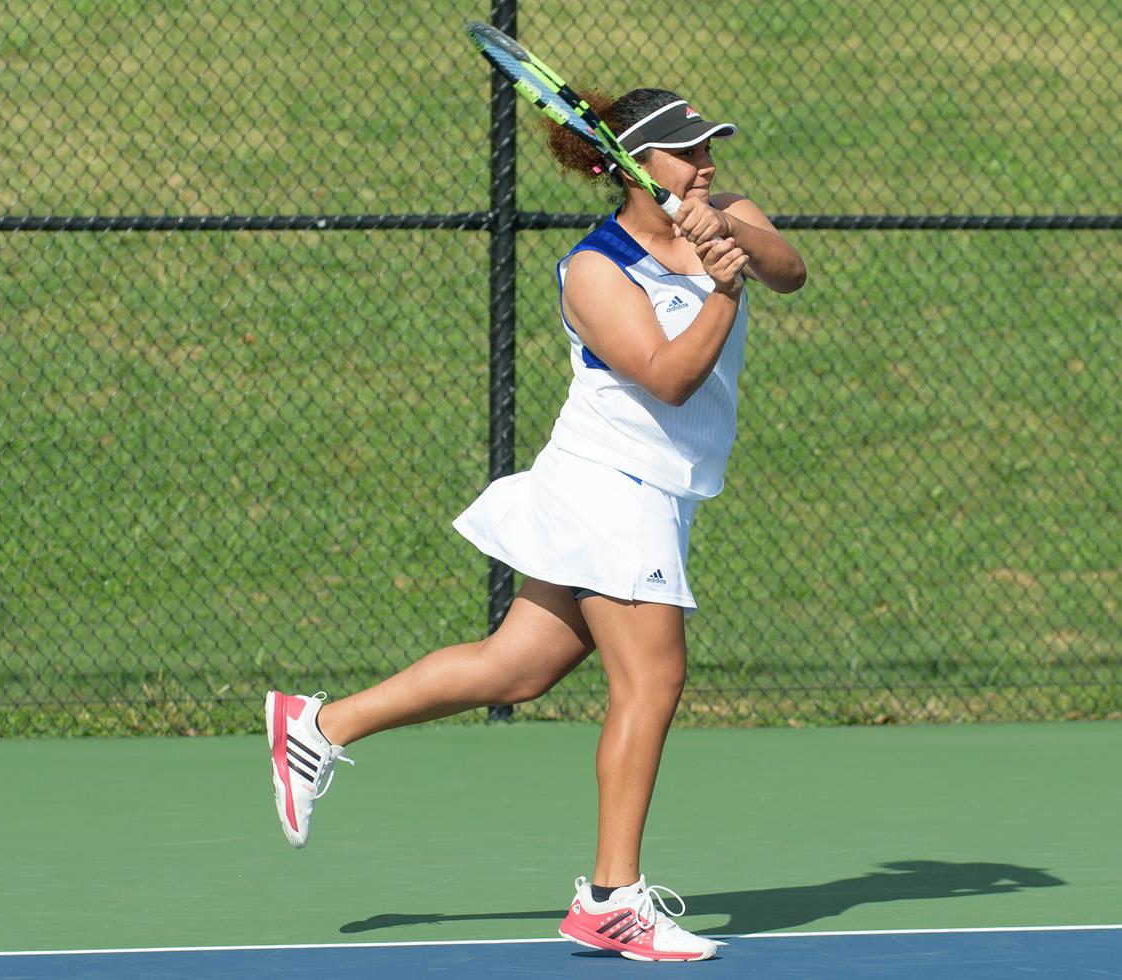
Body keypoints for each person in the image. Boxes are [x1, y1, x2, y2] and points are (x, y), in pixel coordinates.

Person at [266, 87, 806, 963]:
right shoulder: (595, 269)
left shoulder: (727, 213)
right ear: (632, 167)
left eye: (708, 146)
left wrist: (731, 244)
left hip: (655, 488)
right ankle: (611, 898)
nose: (705, 163)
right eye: (684, 152)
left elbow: (791, 270)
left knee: (517, 668)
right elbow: (669, 379)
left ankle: (318, 727)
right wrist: (719, 295)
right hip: (610, 486)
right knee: (652, 682)